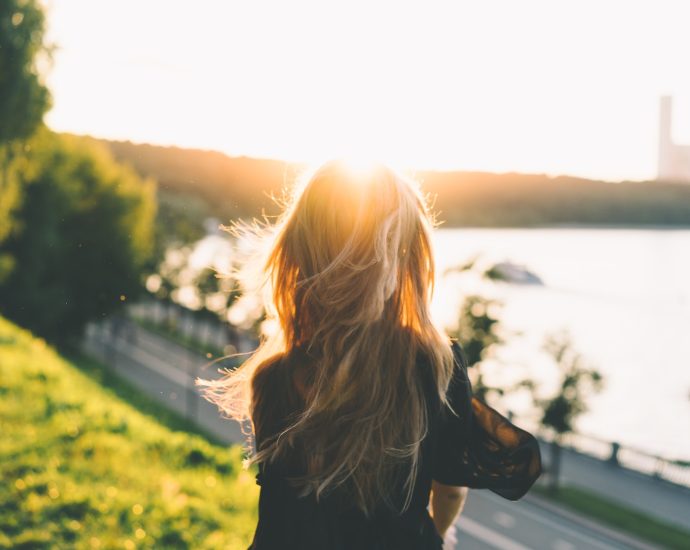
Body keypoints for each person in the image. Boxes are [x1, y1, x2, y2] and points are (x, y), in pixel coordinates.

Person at [199, 160, 542, 549]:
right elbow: (449, 490)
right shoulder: (434, 367)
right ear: (406, 260)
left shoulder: (271, 377)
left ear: (298, 252)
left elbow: (287, 509)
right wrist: (440, 534)